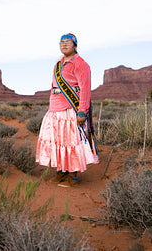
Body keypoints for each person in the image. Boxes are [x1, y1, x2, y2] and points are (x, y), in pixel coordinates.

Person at [35, 33, 99, 187]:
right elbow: (53, 87)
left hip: (71, 108)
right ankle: (61, 171)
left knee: (71, 142)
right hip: (55, 109)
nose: (64, 45)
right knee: (58, 141)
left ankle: (73, 176)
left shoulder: (80, 64)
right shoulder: (58, 63)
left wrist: (82, 110)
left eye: (68, 42)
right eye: (61, 42)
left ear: (75, 45)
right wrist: (51, 108)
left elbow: (85, 89)